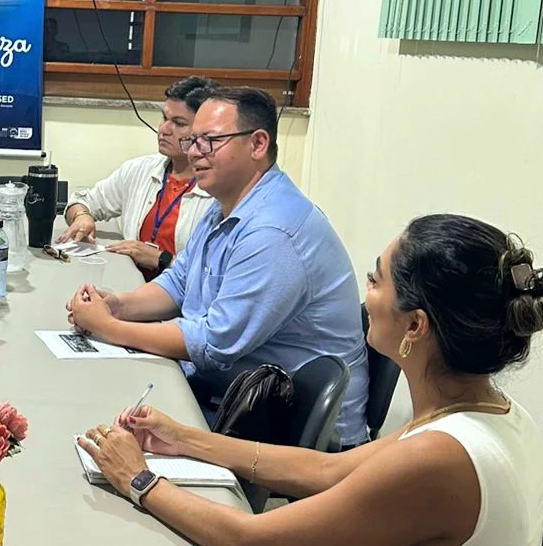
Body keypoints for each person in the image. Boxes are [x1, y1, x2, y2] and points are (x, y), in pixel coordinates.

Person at [77, 213, 543, 546]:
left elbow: (250, 542)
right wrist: (184, 438)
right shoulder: (489, 411)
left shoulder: (440, 458)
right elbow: (327, 470)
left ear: (415, 326)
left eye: (376, 279)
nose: (366, 292)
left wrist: (139, 480)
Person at [66, 86, 369, 445]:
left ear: (257, 144)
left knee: (107, 431)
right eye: (193, 140)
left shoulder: (274, 231)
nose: (194, 152)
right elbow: (179, 283)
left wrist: (108, 327)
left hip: (287, 432)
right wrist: (117, 305)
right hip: (233, 398)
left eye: (209, 141)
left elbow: (213, 342)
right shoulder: (226, 205)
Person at [58, 76, 219, 278]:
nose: (164, 130)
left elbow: (215, 276)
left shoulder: (219, 191)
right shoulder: (139, 170)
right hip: (129, 284)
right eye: (164, 118)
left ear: (205, 132)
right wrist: (82, 216)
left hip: (180, 296)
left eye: (179, 123)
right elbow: (81, 201)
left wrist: (163, 260)